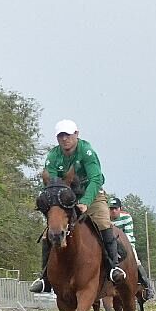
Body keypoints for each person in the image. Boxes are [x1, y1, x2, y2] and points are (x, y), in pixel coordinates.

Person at [32, 120, 126, 293]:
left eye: (68, 135)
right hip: (66, 197)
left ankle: (114, 267)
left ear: (76, 134)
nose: (65, 139)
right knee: (49, 233)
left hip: (92, 194)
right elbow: (51, 184)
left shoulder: (87, 151)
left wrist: (85, 202)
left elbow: (95, 179)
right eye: (61, 136)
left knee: (103, 223)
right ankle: (44, 277)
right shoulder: (53, 156)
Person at [109, 199, 154, 299]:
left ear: (120, 208)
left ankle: (147, 286)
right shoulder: (106, 219)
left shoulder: (126, 217)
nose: (113, 211)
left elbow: (128, 236)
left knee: (137, 262)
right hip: (111, 246)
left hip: (127, 245)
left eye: (115, 208)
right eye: (111, 209)